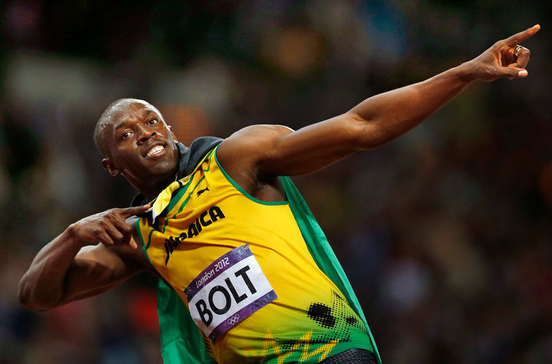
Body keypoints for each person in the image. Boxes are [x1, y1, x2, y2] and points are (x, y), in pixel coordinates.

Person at [18, 25, 540, 364]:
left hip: (325, 351)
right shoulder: (142, 233)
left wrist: (466, 72)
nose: (147, 132)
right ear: (112, 165)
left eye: (152, 120)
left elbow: (361, 125)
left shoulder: (236, 158)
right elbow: (38, 294)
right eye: (127, 135)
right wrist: (70, 235)